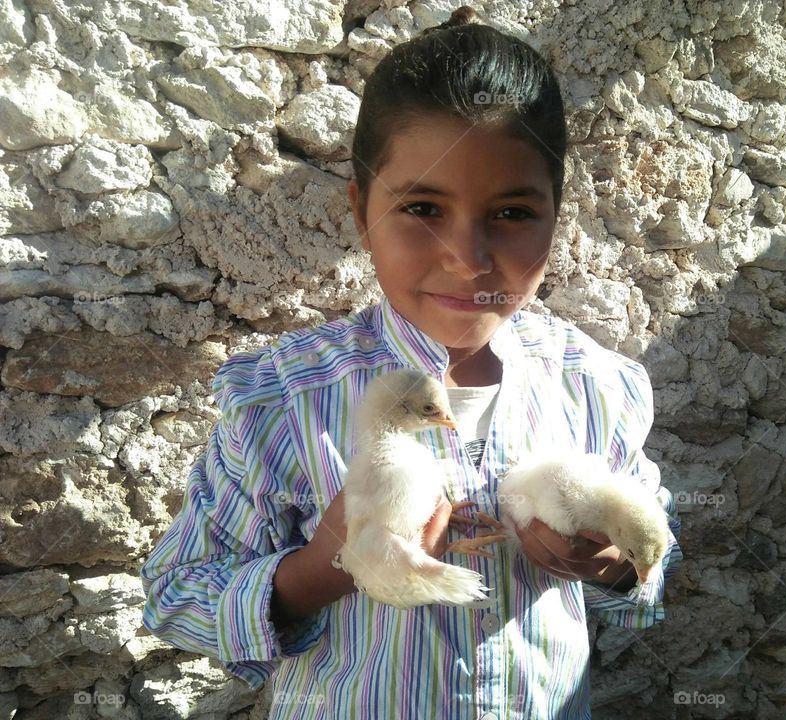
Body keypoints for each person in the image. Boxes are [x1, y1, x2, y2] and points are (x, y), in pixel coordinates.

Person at [140, 6, 682, 718]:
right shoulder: (281, 399)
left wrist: (610, 564)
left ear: (556, 214)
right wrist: (324, 566)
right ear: (363, 212)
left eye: (513, 214)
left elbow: (650, 568)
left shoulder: (600, 389)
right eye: (423, 207)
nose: (469, 257)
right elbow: (175, 597)